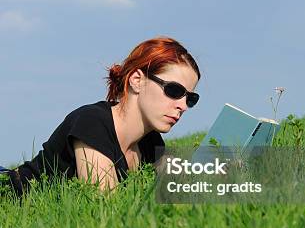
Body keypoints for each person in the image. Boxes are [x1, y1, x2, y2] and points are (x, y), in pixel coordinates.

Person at [1, 36, 200, 198]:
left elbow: (181, 194)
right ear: (137, 80)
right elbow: (105, 206)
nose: (182, 106)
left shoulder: (151, 142)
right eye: (174, 90)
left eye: (190, 98)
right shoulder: (92, 122)